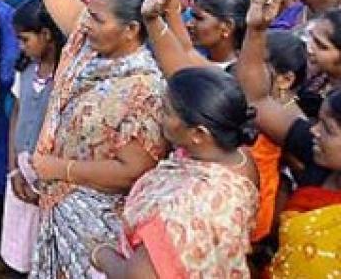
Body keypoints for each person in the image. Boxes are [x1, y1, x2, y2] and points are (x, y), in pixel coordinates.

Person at [29, 0, 167, 277]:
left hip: (98, 226)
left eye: (98, 18)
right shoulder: (86, 43)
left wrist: (61, 169)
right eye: (87, 12)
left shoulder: (146, 87)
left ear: (131, 30)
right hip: (60, 204)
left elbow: (132, 171)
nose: (86, 23)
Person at [90, 67, 259, 276]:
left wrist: (101, 254)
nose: (158, 115)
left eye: (167, 111)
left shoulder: (185, 207)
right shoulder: (238, 158)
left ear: (198, 134)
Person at [233, 0, 340, 278]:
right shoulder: (318, 149)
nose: (314, 130)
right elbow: (256, 99)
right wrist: (256, 30)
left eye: (329, 129)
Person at [0, 0, 64, 274]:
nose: (21, 46)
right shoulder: (26, 70)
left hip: (49, 174)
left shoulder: (65, 78)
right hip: (22, 165)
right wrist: (14, 170)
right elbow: (16, 115)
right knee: (19, 239)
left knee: (42, 242)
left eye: (25, 39)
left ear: (47, 35)